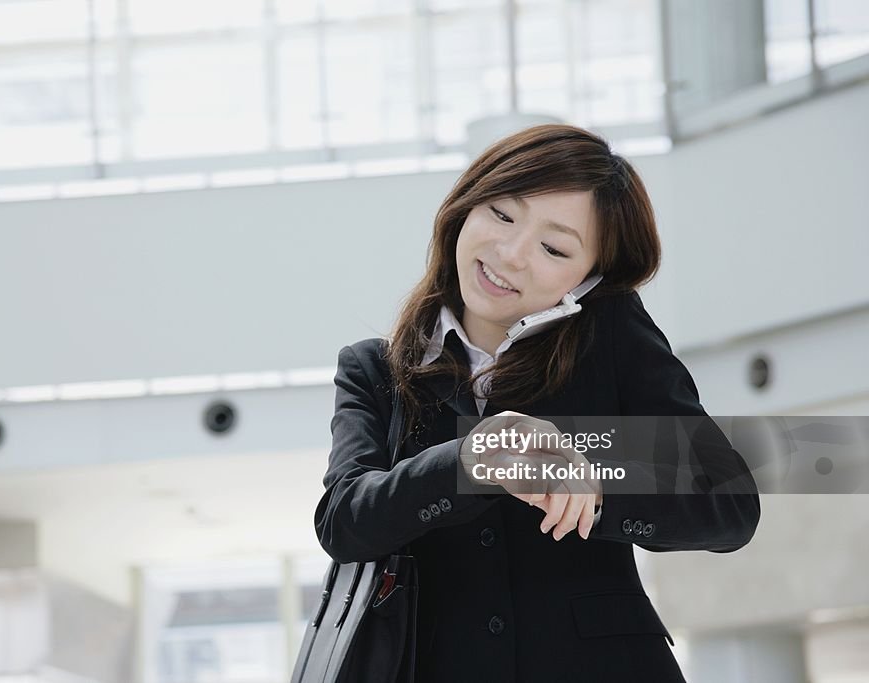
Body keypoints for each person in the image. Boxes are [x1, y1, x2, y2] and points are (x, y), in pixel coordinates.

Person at [313, 124, 761, 682]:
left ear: (589, 274)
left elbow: (727, 506)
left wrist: (595, 486)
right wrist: (469, 460)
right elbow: (345, 522)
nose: (511, 254)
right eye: (501, 214)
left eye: (554, 247)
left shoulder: (609, 339)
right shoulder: (375, 370)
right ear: (465, 207)